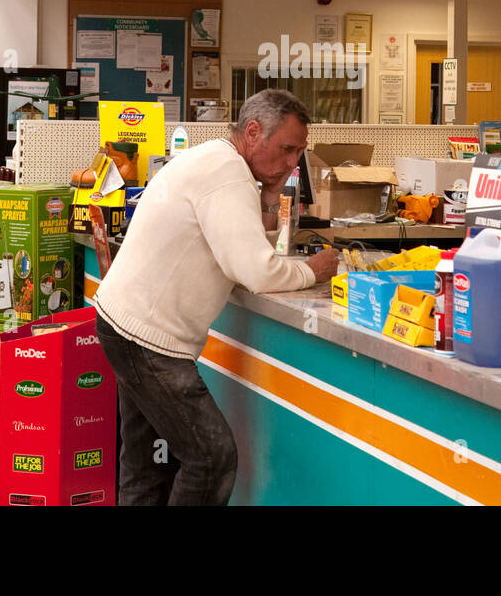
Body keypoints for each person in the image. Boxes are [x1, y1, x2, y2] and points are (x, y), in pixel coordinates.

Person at [94, 89, 337, 505]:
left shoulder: (214, 159)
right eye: (287, 149)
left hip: (122, 324)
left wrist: (268, 193)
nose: (294, 162)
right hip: (148, 341)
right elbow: (256, 270)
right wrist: (311, 270)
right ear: (254, 132)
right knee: (211, 458)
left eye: (299, 152)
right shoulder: (227, 175)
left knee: (146, 466)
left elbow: (235, 244)